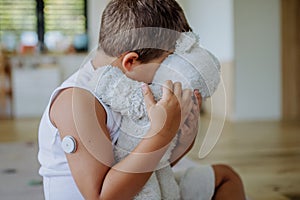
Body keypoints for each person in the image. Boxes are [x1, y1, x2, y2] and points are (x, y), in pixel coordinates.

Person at [38, 0, 246, 199]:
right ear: (131, 62)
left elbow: (148, 171)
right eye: (167, 63)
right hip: (111, 194)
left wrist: (182, 139)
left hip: (137, 191)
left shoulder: (136, 89)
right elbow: (101, 196)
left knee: (225, 177)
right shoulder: (77, 102)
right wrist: (162, 133)